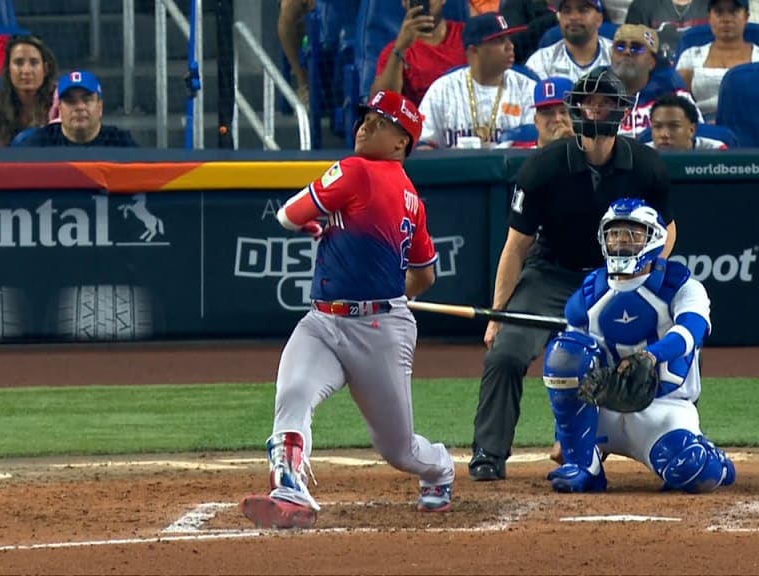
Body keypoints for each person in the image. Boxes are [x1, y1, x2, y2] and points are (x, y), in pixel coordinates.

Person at [239, 90, 454, 530]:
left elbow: (287, 214)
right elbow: (425, 275)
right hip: (325, 321)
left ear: (401, 145)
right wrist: (393, 292)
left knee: (400, 451)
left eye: (380, 122)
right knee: (293, 394)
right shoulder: (413, 196)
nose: (364, 126)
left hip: (377, 330)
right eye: (365, 118)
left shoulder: (357, 171)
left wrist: (313, 223)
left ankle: (440, 469)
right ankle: (289, 488)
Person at [468, 66, 675, 481]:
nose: (596, 109)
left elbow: (667, 232)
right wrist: (498, 313)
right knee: (506, 353)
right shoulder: (542, 168)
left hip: (615, 278)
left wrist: (648, 275)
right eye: (588, 102)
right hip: (551, 273)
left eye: (605, 102)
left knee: (631, 359)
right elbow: (515, 246)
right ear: (576, 109)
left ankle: (589, 442)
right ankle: (488, 453)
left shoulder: (647, 166)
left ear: (620, 110)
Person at [540, 197, 735, 494]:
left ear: (653, 238)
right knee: (563, 353)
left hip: (662, 407)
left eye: (632, 234)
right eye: (614, 233)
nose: (620, 241)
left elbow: (690, 332)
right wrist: (563, 434)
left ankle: (715, 460)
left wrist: (649, 356)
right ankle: (585, 466)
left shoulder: (682, 285)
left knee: (692, 470)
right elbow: (570, 358)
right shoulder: (591, 290)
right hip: (604, 408)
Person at [416, 12, 537, 149]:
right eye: (499, 41)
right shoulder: (442, 90)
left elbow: (536, 146)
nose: (510, 46)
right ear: (473, 51)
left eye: (509, 39)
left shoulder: (527, 88)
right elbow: (422, 145)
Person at [675, 0, 759, 119]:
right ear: (709, 17)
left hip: (751, 124)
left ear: (746, 16)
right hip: (701, 127)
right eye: (719, 12)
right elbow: (677, 104)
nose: (726, 19)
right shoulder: (691, 55)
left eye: (733, 12)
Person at [609, 23, 703, 137]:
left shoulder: (673, 93)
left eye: (636, 48)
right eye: (620, 47)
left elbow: (698, 134)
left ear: (652, 62)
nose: (627, 52)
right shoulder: (595, 89)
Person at [0, 35, 59, 148]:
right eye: (19, 63)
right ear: (8, 69)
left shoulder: (60, 101)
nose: (26, 70)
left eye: (34, 62)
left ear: (45, 69)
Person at [370, 0, 467, 105]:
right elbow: (380, 103)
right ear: (404, 2)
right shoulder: (394, 52)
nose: (423, 2)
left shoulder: (468, 36)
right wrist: (399, 49)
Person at [15, 70, 139, 148]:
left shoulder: (120, 142)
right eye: (70, 101)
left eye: (86, 100)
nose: (79, 107)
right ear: (59, 109)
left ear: (100, 106)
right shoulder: (40, 142)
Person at [525, 0, 614, 82]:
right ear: (558, 18)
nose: (573, 17)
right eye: (566, 11)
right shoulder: (540, 61)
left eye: (583, 10)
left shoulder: (618, 56)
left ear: (599, 19)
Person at [625, 0, 709, 65]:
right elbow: (630, 49)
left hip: (701, 74)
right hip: (655, 77)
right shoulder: (642, 5)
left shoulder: (713, 5)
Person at [648, 92, 728, 148]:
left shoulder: (714, 151)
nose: (664, 134)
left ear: (691, 130)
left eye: (673, 126)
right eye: (657, 126)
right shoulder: (642, 155)